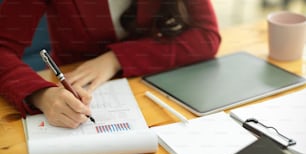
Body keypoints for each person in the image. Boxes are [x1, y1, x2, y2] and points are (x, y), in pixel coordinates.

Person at [0, 0, 221, 128]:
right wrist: (41, 95)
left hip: (148, 86)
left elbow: (206, 35)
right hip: (72, 87)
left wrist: (116, 59)